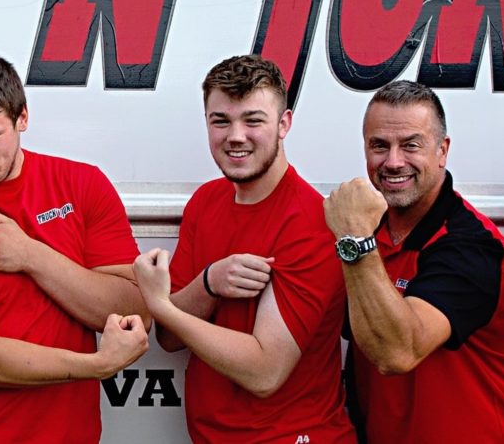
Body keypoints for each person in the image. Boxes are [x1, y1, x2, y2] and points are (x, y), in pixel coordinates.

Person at [0, 50, 147, 444]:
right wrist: (96, 365)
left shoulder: (81, 184)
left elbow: (134, 310)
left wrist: (30, 256)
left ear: (22, 117)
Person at [133, 55, 355, 443]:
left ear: (284, 124)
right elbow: (170, 338)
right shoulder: (206, 202)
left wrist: (161, 305)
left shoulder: (309, 221)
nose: (236, 136)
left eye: (253, 121)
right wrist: (208, 284)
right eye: (221, 121)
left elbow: (265, 372)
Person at [323, 80, 504, 442]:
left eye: (411, 145)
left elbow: (397, 352)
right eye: (379, 145)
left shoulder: (472, 245)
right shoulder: (367, 233)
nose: (393, 162)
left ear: (442, 150)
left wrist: (355, 242)